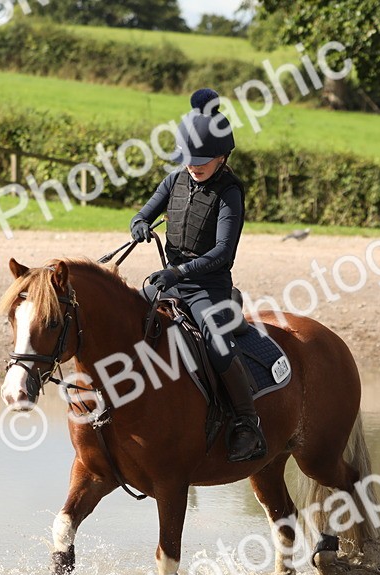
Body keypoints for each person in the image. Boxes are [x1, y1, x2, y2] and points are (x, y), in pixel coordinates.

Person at [128, 88, 266, 463]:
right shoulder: (175, 181)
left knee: (217, 343)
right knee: (126, 319)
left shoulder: (229, 193)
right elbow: (142, 213)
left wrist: (179, 271)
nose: (194, 166)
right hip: (169, 281)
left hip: (208, 287)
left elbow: (223, 252)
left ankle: (247, 422)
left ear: (223, 157)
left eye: (202, 161)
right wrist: (139, 225)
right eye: (189, 160)